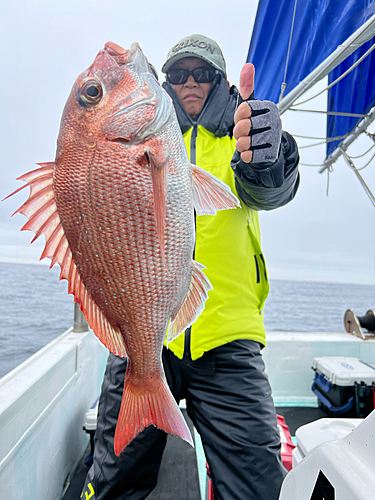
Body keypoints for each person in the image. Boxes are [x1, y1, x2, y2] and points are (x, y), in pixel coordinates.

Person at [81, 34, 300, 500]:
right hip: (143, 337)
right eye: (179, 74)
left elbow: (270, 190)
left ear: (221, 81)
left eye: (202, 73)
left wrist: (270, 156)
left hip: (227, 338)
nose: (190, 83)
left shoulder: (244, 134)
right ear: (165, 82)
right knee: (110, 482)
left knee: (259, 488)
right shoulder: (142, 135)